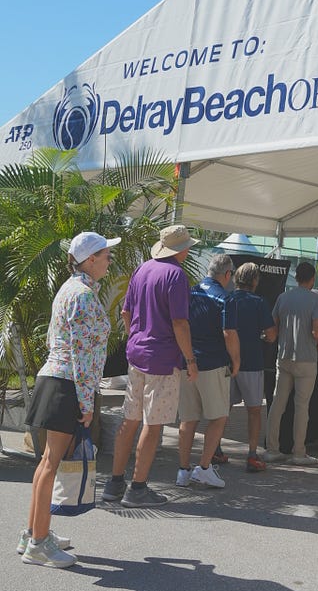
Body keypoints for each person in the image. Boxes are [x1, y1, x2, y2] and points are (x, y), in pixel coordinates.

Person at [20, 231, 120, 567]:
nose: (109, 261)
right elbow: (81, 352)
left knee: (47, 461)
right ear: (90, 260)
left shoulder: (71, 289)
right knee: (51, 463)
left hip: (58, 379)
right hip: (67, 384)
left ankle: (35, 532)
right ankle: (37, 544)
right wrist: (86, 401)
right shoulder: (82, 295)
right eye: (106, 256)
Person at [101, 224, 198, 508]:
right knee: (153, 424)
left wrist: (137, 338)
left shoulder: (142, 269)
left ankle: (115, 482)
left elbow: (125, 312)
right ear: (181, 249)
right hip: (163, 358)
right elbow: (180, 323)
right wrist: (190, 360)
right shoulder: (176, 275)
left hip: (137, 355)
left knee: (130, 419)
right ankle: (138, 488)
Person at [176, 254, 239, 490]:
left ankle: (183, 470)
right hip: (213, 363)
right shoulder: (225, 298)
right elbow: (229, 333)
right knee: (219, 417)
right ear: (227, 274)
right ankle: (203, 468)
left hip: (187, 361)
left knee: (188, 418)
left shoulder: (189, 292)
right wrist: (236, 360)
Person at [264, 260, 318, 466]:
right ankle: (298, 452)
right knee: (302, 407)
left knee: (277, 404)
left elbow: (273, 326)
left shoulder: (283, 297)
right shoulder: (317, 300)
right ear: (312, 278)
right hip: (307, 359)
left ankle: (272, 448)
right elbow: (317, 331)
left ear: (297, 276)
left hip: (284, 356)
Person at [224, 261, 277, 472]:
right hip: (252, 362)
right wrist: (262, 335)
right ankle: (252, 455)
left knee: (222, 410)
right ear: (255, 280)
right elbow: (271, 335)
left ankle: (214, 450)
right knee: (254, 411)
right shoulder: (259, 302)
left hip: (226, 362)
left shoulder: (227, 298)